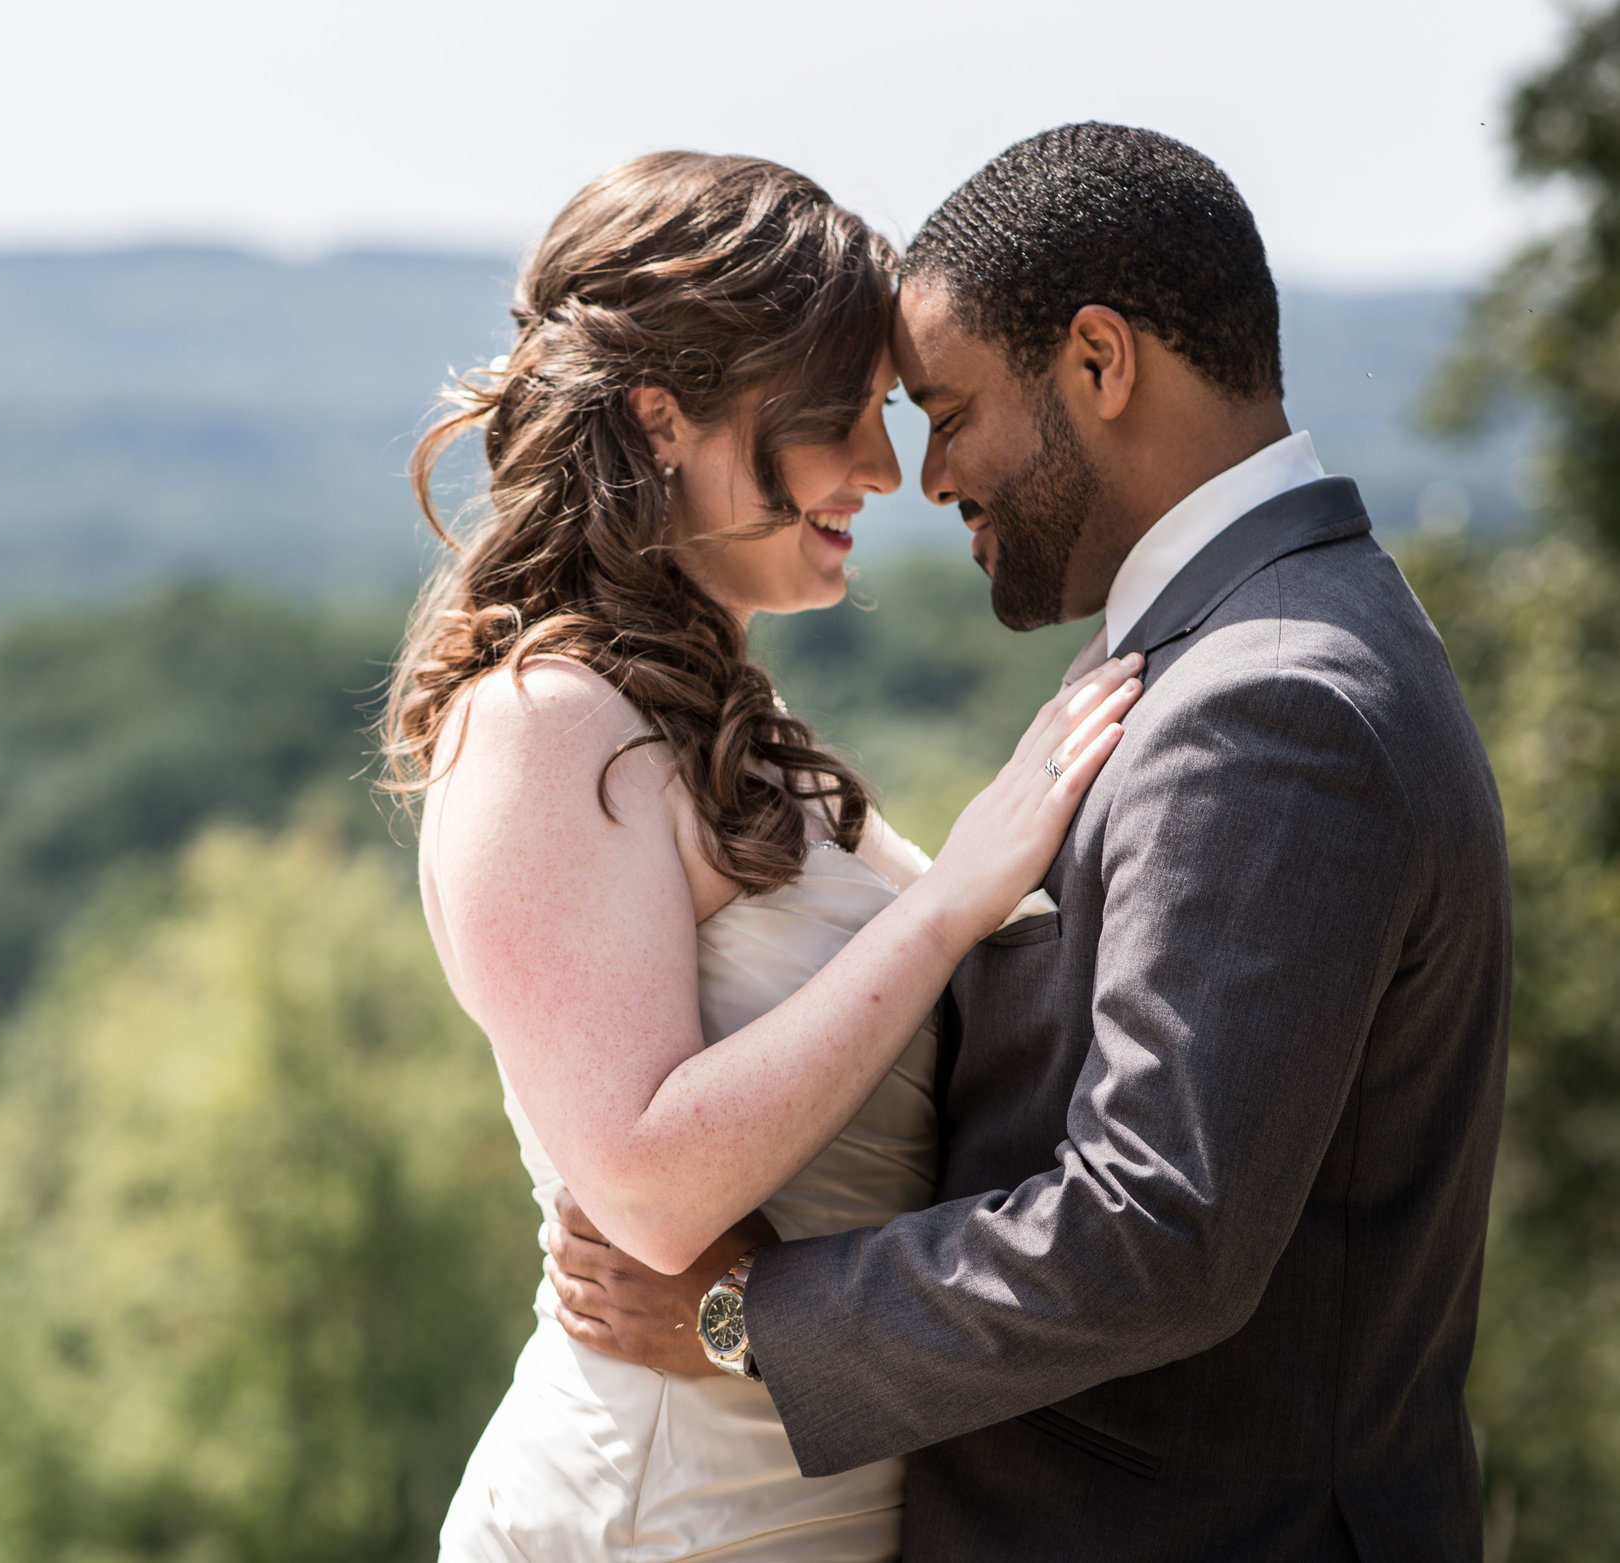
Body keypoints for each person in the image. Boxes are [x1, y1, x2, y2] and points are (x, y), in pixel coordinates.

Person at [547, 125, 1512, 1561]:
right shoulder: (1235, 646)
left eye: (945, 409)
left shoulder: (1270, 700)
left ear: (1100, 365)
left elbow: (1155, 1231)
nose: (926, 477)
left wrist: (748, 1321)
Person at [384, 151, 1144, 1562]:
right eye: (835, 420)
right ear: (662, 421)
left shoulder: (710, 714)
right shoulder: (552, 723)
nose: (884, 471)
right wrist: (960, 897)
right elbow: (654, 1196)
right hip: (657, 1516)